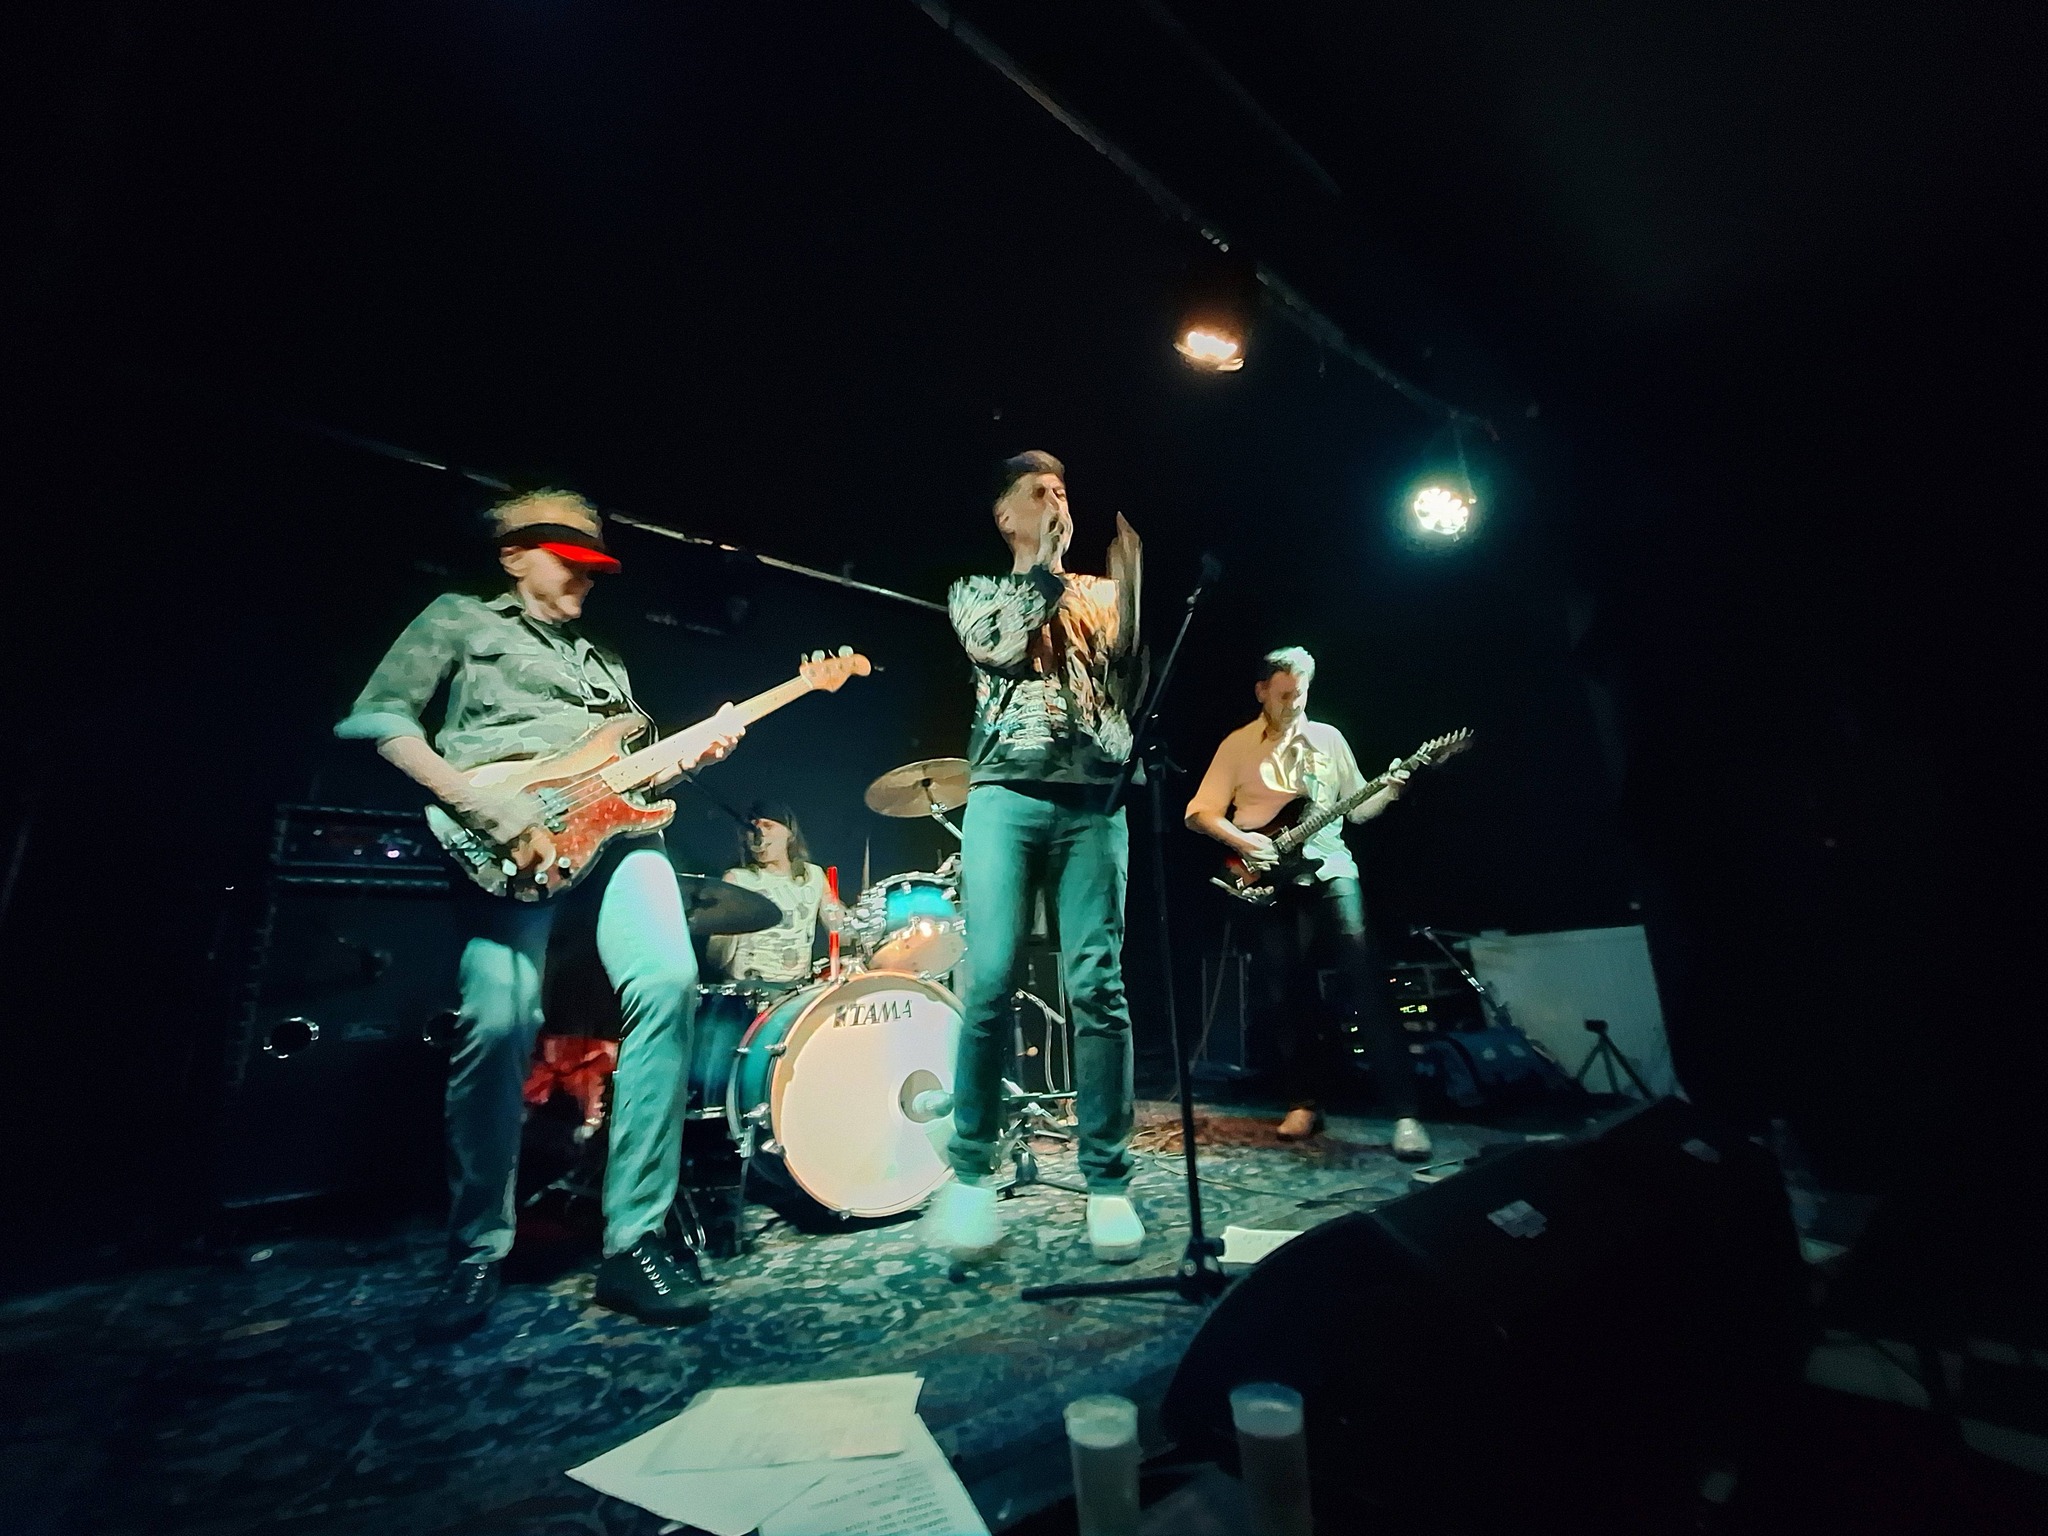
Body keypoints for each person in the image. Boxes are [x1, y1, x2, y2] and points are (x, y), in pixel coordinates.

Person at [335, 489, 741, 1340]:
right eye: (569, 563)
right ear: (514, 555)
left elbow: (625, 779)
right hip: (502, 831)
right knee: (496, 1018)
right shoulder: (457, 619)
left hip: (616, 840)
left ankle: (635, 1241)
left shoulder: (605, 662)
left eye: (595, 569)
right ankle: (476, 1248)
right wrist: (486, 809)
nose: (585, 581)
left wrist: (692, 757)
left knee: (669, 982)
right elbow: (382, 721)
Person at [926, 450, 1147, 1265]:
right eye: (1039, 492)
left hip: (1093, 801)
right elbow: (1000, 648)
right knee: (989, 976)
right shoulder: (975, 591)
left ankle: (1108, 1181)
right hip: (1004, 796)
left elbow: (1129, 679)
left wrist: (1130, 584)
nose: (1058, 499)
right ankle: (972, 1170)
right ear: (1006, 516)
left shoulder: (1103, 595)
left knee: (1098, 984)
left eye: (1063, 489)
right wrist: (1047, 570)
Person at [1184, 646, 1433, 1159]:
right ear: (1262, 692)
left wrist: (1389, 789)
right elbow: (1198, 812)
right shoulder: (1237, 746)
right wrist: (1245, 841)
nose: (1294, 703)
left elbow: (1357, 808)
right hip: (1268, 878)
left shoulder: (1328, 739)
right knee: (1286, 992)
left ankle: (1405, 1115)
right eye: (1284, 695)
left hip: (1331, 868)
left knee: (1366, 980)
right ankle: (1303, 1102)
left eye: (1301, 693)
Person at [709, 800, 846, 984]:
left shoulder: (813, 876)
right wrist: (729, 925)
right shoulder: (737, 879)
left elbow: (841, 934)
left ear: (790, 833)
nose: (760, 834)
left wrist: (860, 917)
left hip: (797, 989)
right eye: (753, 828)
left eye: (768, 826)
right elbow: (716, 959)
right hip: (749, 988)